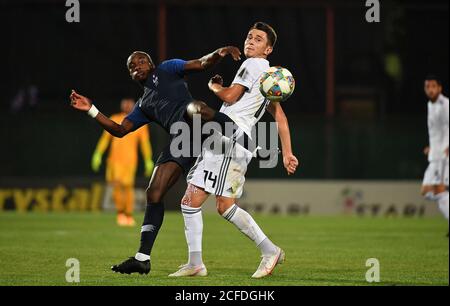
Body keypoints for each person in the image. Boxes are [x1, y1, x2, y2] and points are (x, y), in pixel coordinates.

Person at [69, 46, 242, 275]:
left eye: (140, 61)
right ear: (131, 75)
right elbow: (120, 130)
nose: (136, 66)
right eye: (131, 66)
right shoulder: (143, 104)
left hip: (200, 126)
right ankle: (142, 258)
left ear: (150, 64)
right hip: (182, 142)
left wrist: (218, 53)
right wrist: (91, 109)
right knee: (154, 193)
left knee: (194, 108)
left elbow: (200, 63)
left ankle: (243, 137)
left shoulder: (167, 69)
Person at [169, 22, 299, 279]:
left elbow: (228, 96)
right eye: (249, 37)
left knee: (211, 204)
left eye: (258, 39)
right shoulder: (270, 78)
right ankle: (196, 263)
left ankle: (268, 250)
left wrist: (214, 87)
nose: (250, 41)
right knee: (202, 203)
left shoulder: (253, 65)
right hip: (229, 139)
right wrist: (287, 153)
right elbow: (280, 117)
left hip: (231, 139)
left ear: (268, 49)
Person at [91, 98, 154, 227]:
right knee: (117, 187)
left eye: (129, 103)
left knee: (128, 187)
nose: (126, 105)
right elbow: (105, 138)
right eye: (125, 103)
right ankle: (120, 214)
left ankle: (128, 215)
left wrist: (148, 159)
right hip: (114, 161)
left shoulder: (139, 122)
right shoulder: (114, 118)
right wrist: (98, 153)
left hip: (130, 162)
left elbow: (145, 143)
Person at [421, 75, 449, 236]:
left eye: (433, 86)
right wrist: (431, 147)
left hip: (443, 155)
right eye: (427, 87)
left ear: (439, 88)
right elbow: (437, 131)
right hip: (435, 153)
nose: (430, 89)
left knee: (439, 190)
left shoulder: (445, 104)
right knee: (427, 191)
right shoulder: (430, 105)